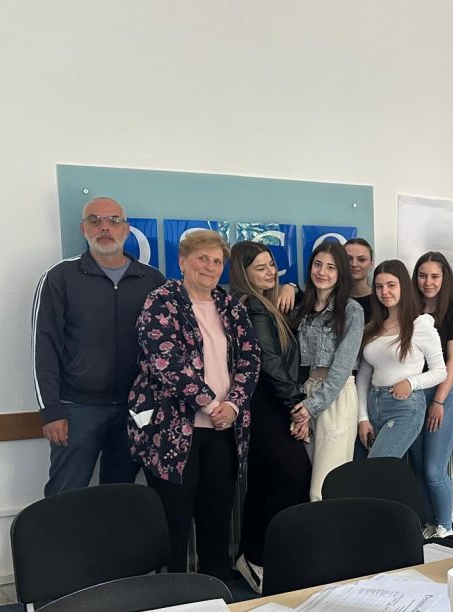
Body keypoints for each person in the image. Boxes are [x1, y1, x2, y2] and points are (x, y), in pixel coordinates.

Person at [128, 230, 260, 579]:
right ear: (183, 262)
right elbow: (166, 362)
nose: (210, 267)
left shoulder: (231, 307)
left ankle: (217, 588)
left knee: (217, 515)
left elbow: (250, 358)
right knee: (174, 519)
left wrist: (232, 406)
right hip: (172, 430)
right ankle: (173, 594)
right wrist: (210, 404)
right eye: (203, 258)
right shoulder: (161, 302)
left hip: (223, 430)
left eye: (217, 261)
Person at [32, 197, 165, 497]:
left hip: (135, 408)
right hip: (77, 408)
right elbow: (44, 347)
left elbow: (165, 348)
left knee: (118, 496)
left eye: (114, 220)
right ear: (84, 229)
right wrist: (50, 410)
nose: (105, 227)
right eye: (95, 221)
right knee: (65, 495)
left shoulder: (152, 279)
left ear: (126, 229)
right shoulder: (60, 278)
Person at [228, 241, 312, 593]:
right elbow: (269, 363)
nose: (269, 272)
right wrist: (297, 405)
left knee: (266, 483)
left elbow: (311, 301)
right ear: (242, 272)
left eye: (271, 265)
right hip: (268, 405)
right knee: (291, 476)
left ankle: (256, 555)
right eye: (260, 267)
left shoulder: (262, 303)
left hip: (264, 405)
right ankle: (258, 557)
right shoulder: (253, 307)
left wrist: (292, 286)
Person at [357, 260, 447, 458]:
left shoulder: (420, 324)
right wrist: (362, 417)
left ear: (403, 287)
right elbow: (363, 376)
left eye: (391, 285)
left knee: (376, 467)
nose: (384, 292)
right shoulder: (372, 327)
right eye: (379, 286)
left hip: (404, 407)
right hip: (373, 405)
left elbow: (440, 371)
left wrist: (411, 382)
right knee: (390, 471)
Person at [297, 240, 365, 498]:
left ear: (340, 273)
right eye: (318, 264)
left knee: (325, 488)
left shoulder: (351, 310)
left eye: (331, 267)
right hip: (308, 393)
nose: (322, 272)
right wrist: (303, 408)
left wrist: (311, 407)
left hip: (336, 397)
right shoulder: (304, 309)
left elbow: (342, 368)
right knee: (308, 481)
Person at [407, 252, 453, 538]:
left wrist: (439, 401)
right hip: (416, 392)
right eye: (422, 276)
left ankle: (445, 529)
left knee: (434, 469)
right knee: (419, 466)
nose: (428, 282)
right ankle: (430, 525)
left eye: (434, 276)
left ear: (445, 279)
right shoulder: (410, 310)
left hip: (445, 393)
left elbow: (452, 363)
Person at [345, 237, 374, 323]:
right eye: (349, 259)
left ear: (371, 263)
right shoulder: (332, 300)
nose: (354, 264)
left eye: (361, 259)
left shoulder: (381, 300)